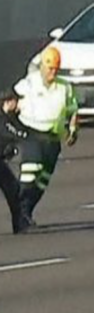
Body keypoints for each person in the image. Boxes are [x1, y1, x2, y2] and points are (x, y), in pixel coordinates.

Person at [13, 46, 79, 232]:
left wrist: (73, 130)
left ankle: (26, 213)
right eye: (49, 68)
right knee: (30, 174)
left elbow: (73, 110)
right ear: (42, 66)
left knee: (42, 180)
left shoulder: (64, 87)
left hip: (53, 138)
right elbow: (11, 99)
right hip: (32, 133)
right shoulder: (29, 83)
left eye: (55, 69)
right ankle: (21, 215)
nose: (52, 73)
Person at [0, 90, 28, 234]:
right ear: (8, 102)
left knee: (13, 190)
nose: (18, 104)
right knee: (13, 190)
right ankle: (19, 224)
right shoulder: (3, 120)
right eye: (16, 101)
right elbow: (17, 133)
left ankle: (20, 223)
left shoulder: (9, 118)